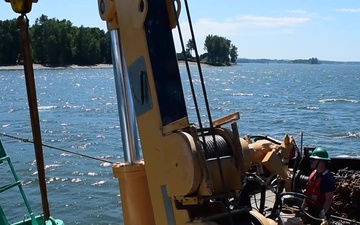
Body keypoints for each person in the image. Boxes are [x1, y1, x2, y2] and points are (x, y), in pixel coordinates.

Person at [301, 147, 336, 223]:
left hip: (320, 212)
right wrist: (302, 209)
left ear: (321, 162)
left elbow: (328, 200)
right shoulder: (314, 175)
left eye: (313, 160)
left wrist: (321, 215)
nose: (311, 161)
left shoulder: (328, 178)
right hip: (311, 210)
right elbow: (308, 194)